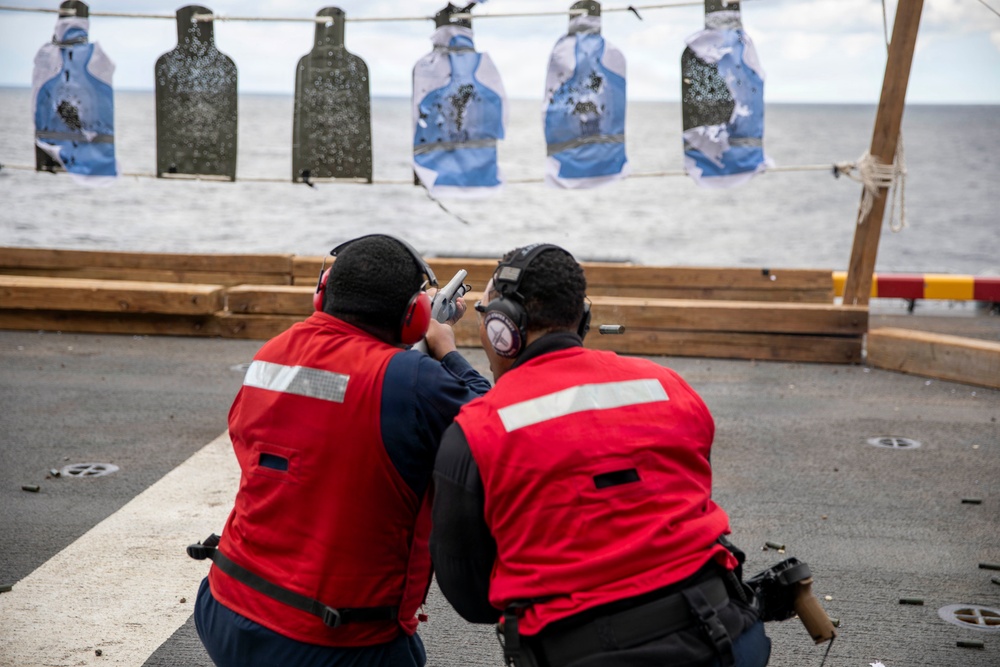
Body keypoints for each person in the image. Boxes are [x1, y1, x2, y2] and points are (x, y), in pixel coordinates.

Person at [430, 243, 771, 667]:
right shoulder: (669, 386)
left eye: (483, 314)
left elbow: (472, 600)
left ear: (504, 326)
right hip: (726, 636)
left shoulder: (474, 433)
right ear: (582, 318)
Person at [190, 234, 492, 667]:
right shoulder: (412, 381)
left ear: (324, 291)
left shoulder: (273, 353)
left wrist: (407, 354)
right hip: (334, 638)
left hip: (227, 603)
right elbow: (486, 418)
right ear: (413, 316)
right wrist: (445, 349)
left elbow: (343, 389)